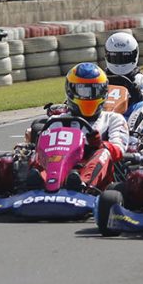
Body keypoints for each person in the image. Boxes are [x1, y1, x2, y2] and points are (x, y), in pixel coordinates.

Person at [43, 63, 130, 192]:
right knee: (39, 153)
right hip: (61, 169)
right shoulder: (56, 121)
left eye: (95, 90)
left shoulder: (113, 119)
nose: (90, 96)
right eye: (83, 91)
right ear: (70, 91)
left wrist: (99, 144)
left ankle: (83, 186)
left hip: (97, 177)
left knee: (103, 153)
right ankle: (39, 181)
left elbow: (119, 150)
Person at [104, 32, 143, 107]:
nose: (120, 62)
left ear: (134, 55)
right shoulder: (101, 80)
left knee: (142, 105)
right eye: (115, 58)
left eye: (125, 58)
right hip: (106, 113)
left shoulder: (142, 81)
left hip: (132, 113)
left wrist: (138, 96)